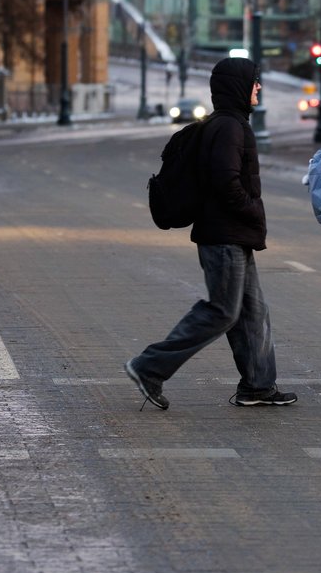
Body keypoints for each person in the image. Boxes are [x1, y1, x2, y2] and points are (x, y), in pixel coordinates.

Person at [124, 57, 298, 409]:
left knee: (253, 311)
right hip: (224, 237)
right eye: (255, 81)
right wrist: (253, 210)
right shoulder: (230, 128)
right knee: (221, 311)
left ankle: (258, 385)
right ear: (238, 86)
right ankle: (149, 367)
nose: (259, 87)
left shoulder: (226, 124)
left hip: (231, 235)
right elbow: (225, 183)